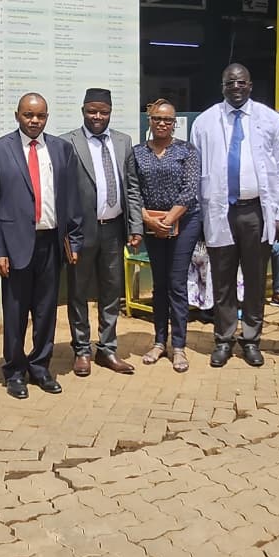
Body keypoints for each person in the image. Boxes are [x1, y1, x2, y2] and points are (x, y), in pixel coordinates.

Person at [0, 93, 82, 399]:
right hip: (14, 246)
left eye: (40, 116)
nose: (34, 121)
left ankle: (40, 367)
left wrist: (74, 239)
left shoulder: (61, 149)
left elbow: (72, 198)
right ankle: (14, 371)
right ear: (17, 116)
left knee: (46, 311)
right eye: (28, 115)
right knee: (15, 313)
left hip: (51, 242)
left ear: (47, 117)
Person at [191, 63, 279, 368]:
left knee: (256, 279)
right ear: (222, 86)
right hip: (219, 211)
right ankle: (223, 339)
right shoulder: (205, 122)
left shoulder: (271, 120)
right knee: (221, 279)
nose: (236, 87)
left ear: (250, 85)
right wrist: (198, 216)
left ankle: (251, 339)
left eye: (241, 82)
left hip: (256, 212)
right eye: (230, 83)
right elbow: (195, 170)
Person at [62, 88, 142, 377]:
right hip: (81, 232)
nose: (97, 116)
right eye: (92, 111)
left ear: (110, 112)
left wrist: (135, 226)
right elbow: (62, 193)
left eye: (103, 112)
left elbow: (132, 186)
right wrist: (67, 234)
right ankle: (82, 350)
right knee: (78, 291)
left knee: (111, 290)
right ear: (83, 111)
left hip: (114, 230)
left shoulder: (123, 141)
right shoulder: (67, 142)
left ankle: (107, 348)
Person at [127, 99, 200, 372]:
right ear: (150, 120)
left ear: (174, 123)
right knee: (159, 283)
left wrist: (168, 220)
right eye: (157, 118)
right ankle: (159, 341)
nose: (162, 123)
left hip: (184, 222)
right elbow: (133, 189)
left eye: (167, 120)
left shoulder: (187, 150)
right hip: (152, 224)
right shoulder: (137, 153)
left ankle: (178, 345)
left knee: (176, 283)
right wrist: (148, 219)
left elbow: (190, 189)